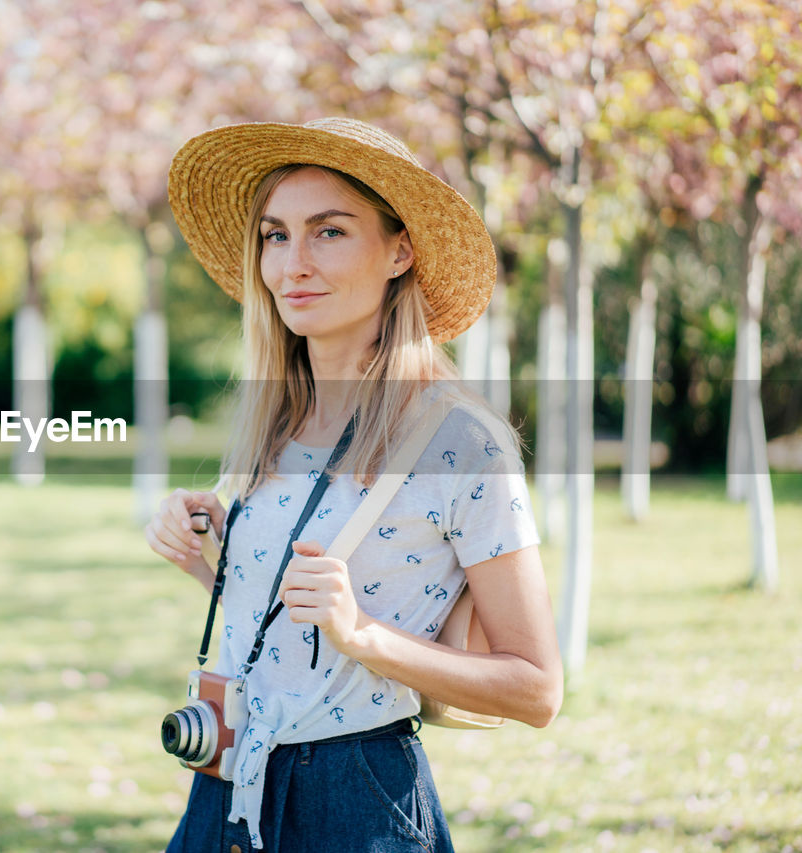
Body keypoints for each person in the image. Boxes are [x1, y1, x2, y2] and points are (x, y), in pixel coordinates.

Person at [145, 118, 563, 852]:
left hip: (356, 799)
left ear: (399, 250)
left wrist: (365, 634)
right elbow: (289, 621)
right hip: (223, 785)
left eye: (328, 231)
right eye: (276, 235)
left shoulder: (460, 442)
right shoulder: (273, 416)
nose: (293, 263)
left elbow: (537, 688)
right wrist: (206, 553)